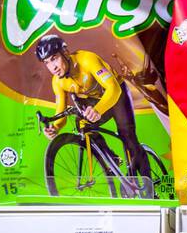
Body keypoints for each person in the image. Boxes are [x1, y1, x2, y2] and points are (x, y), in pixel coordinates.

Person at [35, 34, 152, 191]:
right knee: (81, 124)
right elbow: (60, 111)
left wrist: (97, 110)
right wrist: (55, 127)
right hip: (93, 101)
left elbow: (113, 88)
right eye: (47, 62)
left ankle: (149, 190)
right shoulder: (58, 82)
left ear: (66, 52)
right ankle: (111, 159)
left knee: (128, 137)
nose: (53, 67)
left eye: (54, 58)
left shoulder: (87, 60)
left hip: (116, 94)